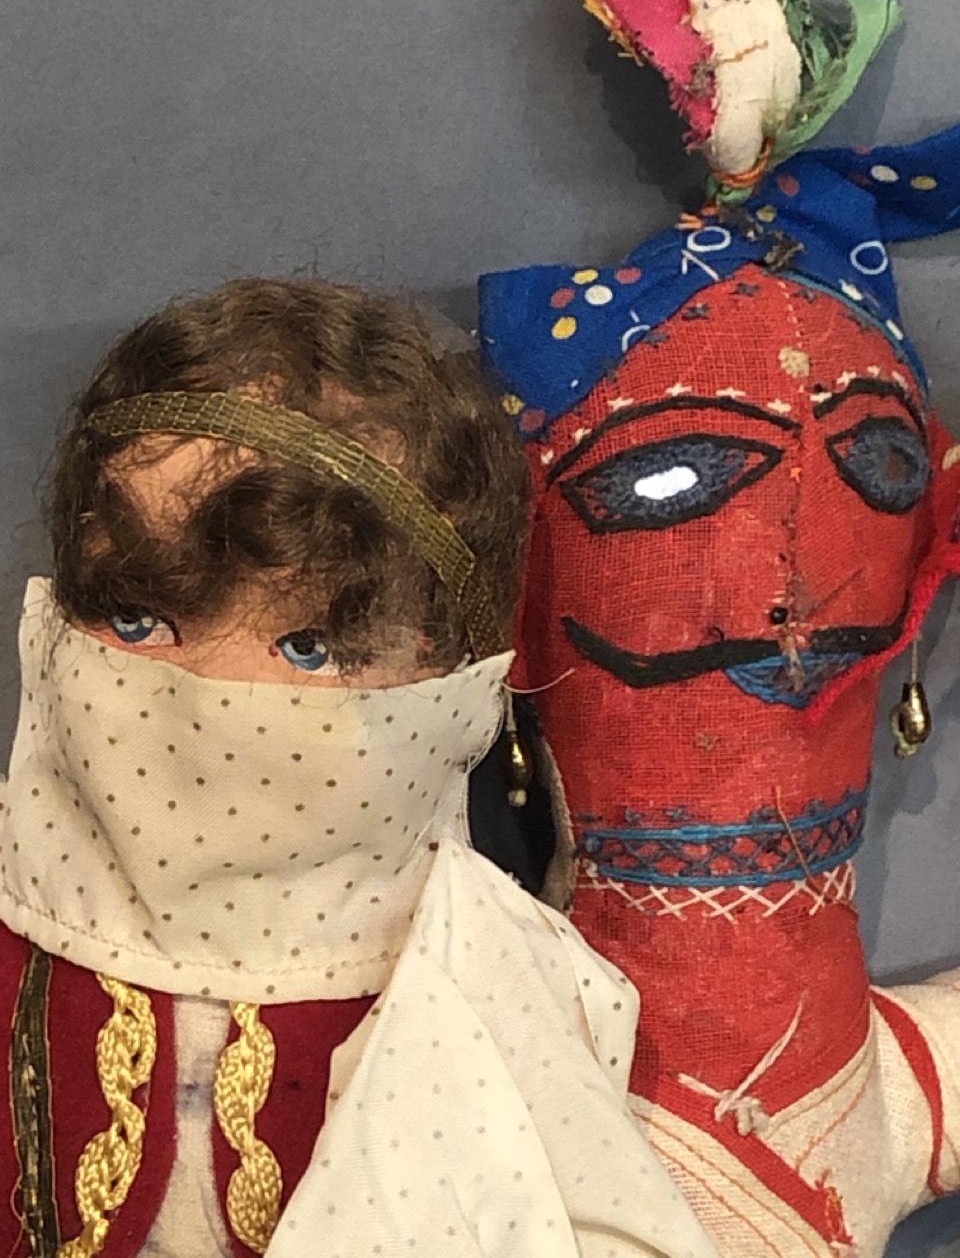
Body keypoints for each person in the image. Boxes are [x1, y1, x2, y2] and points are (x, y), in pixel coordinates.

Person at [0, 278, 719, 1258]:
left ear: (450, 670)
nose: (215, 697)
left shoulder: (484, 965)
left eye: (312, 648)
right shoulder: (25, 921)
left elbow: (603, 1215)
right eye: (139, 619)